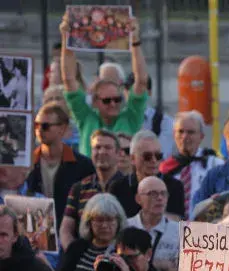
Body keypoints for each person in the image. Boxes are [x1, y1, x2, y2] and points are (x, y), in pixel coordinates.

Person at [60, 14, 148, 156]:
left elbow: (142, 81)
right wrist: (66, 38)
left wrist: (135, 41)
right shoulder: (86, 117)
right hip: (90, 176)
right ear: (94, 102)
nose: (113, 104)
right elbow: (69, 80)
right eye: (107, 101)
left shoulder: (130, 118)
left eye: (117, 99)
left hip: (123, 177)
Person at [25, 102, 94, 220]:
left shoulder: (84, 165)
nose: (39, 130)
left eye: (45, 126)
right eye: (36, 125)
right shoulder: (27, 163)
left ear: (62, 128)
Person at [59, 129, 125, 250]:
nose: (102, 152)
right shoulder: (78, 188)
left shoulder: (130, 188)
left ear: (118, 153)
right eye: (97, 147)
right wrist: (73, 253)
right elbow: (66, 229)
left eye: (107, 147)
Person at [109, 130, 187, 219]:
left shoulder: (174, 186)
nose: (154, 160)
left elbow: (177, 223)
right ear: (133, 158)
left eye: (158, 156)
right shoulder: (118, 187)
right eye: (147, 156)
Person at [159, 111, 223, 217]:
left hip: (206, 225)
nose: (184, 136)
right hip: (174, 225)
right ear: (174, 135)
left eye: (191, 132)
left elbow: (222, 198)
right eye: (180, 131)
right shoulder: (165, 167)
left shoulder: (215, 164)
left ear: (201, 136)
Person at [125, 175, 178, 271]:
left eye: (163, 193)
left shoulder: (180, 231)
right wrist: (157, 264)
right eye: (152, 193)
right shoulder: (125, 227)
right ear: (138, 199)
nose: (159, 198)